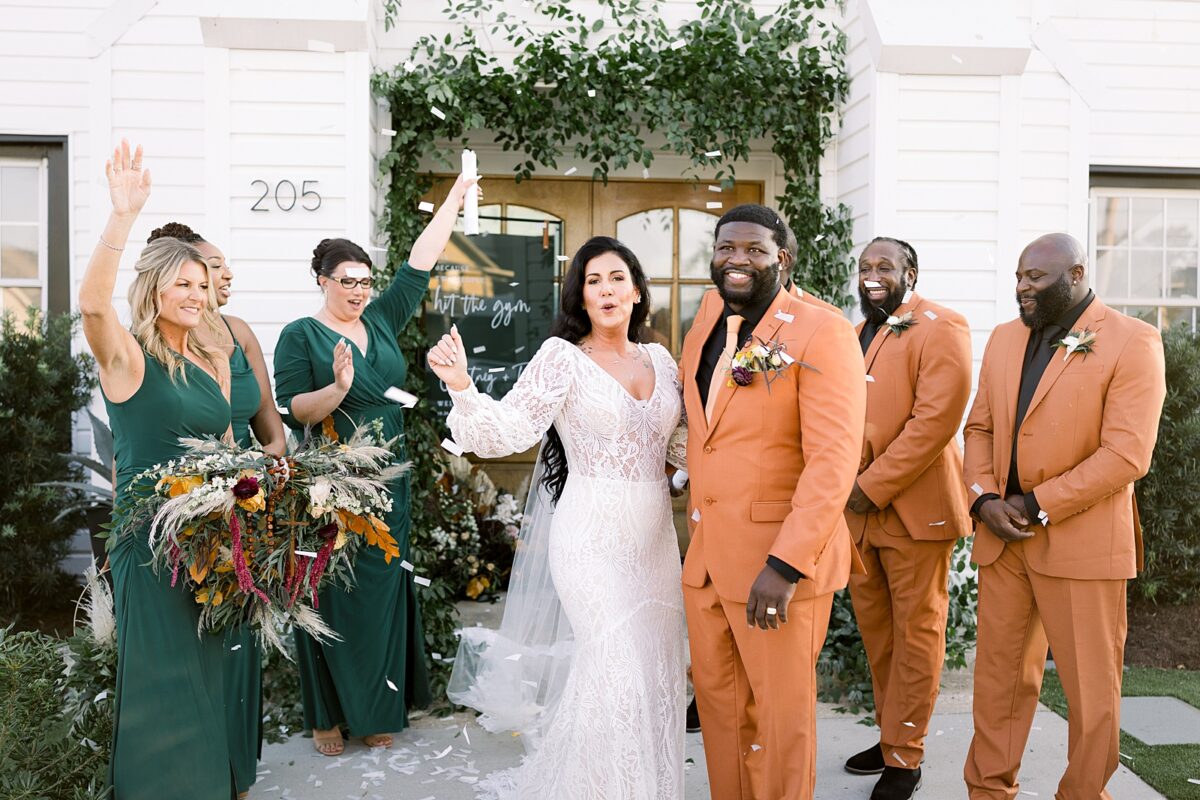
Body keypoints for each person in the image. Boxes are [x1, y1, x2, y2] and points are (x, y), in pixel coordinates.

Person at [429, 236, 688, 799]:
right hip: (590, 537)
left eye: (617, 278)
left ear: (638, 291)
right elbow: (508, 432)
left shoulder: (664, 362)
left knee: (656, 673)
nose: (606, 290)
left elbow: (688, 448)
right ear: (581, 297)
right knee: (614, 670)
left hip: (654, 541)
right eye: (593, 281)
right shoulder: (562, 358)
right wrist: (461, 385)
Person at [272, 176, 478, 756]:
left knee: (384, 586)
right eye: (348, 282)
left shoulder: (382, 318)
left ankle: (377, 706)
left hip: (392, 475)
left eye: (365, 281)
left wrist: (456, 200)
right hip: (333, 479)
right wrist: (337, 387)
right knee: (332, 590)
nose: (359, 291)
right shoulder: (300, 335)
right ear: (323, 281)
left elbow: (420, 261)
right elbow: (295, 411)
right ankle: (327, 716)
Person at [962, 233, 1166, 799]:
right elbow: (978, 427)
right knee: (997, 683)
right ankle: (988, 791)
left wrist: (1032, 504)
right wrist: (983, 499)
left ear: (1075, 275)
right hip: (1002, 542)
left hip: (1081, 546)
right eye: (1020, 276)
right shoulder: (1005, 338)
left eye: (1037, 279)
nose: (1023, 288)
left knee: (1091, 694)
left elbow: (1126, 455)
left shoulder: (1132, 341)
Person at [681, 203, 866, 799]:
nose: (738, 260)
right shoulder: (710, 312)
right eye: (726, 248)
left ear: (782, 259)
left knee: (783, 726)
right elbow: (706, 421)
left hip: (776, 569)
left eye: (754, 249)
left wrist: (786, 565)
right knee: (721, 716)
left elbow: (833, 462)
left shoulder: (822, 329)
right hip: (707, 559)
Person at [80, 140, 235, 798]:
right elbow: (92, 307)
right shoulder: (129, 360)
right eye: (184, 284)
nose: (197, 295)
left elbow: (226, 449)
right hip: (149, 544)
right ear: (156, 287)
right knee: (160, 683)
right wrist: (122, 216)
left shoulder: (206, 360)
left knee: (204, 679)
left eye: (203, 285)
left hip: (209, 545)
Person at [145, 222, 285, 798]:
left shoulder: (238, 333)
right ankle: (200, 770)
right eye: (203, 271)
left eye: (217, 271)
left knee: (238, 643)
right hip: (190, 507)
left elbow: (272, 430)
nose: (216, 280)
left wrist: (261, 473)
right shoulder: (165, 349)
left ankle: (237, 769)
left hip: (246, 500)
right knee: (198, 644)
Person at [841, 237, 972, 800]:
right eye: (865, 267)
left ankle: (907, 758)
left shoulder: (942, 325)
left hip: (914, 513)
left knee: (916, 635)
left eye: (885, 267)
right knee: (879, 636)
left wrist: (871, 486)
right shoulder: (854, 333)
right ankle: (891, 735)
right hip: (857, 516)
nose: (872, 275)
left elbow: (936, 420)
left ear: (910, 273)